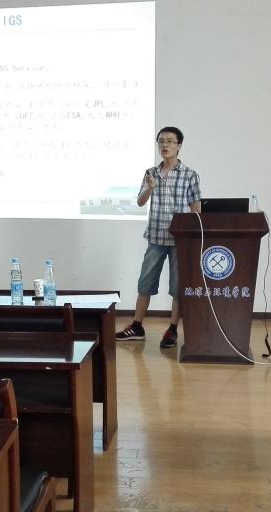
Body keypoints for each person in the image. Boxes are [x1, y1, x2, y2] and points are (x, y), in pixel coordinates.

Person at [115, 127, 202, 348]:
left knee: (177, 287)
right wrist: (149, 188)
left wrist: (194, 238)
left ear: (179, 146)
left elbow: (196, 209)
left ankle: (172, 330)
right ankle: (137, 326)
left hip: (179, 240)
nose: (165, 145)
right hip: (155, 237)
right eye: (161, 141)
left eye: (170, 141)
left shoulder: (190, 174)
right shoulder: (151, 173)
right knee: (145, 283)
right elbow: (140, 201)